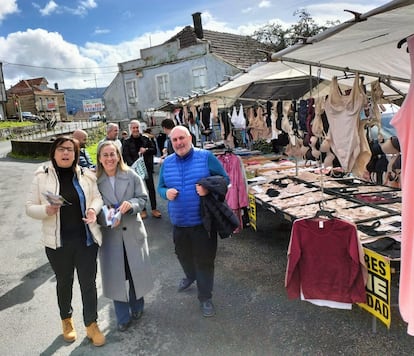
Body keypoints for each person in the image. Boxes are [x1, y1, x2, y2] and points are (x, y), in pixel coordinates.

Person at [25, 136, 106, 347]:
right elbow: (29, 207)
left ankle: (92, 324)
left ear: (76, 154)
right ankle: (67, 320)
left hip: (86, 241)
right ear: (54, 152)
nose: (66, 153)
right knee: (65, 282)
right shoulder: (41, 177)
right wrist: (45, 210)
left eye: (70, 149)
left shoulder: (86, 175)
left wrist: (92, 209)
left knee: (88, 284)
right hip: (57, 244)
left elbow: (97, 198)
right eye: (61, 149)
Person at [157, 125, 230, 317]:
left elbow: (224, 180)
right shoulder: (167, 163)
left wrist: (208, 189)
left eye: (182, 138)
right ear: (171, 143)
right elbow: (160, 187)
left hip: (203, 223)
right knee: (182, 255)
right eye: (175, 140)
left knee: (204, 261)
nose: (179, 143)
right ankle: (190, 276)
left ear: (190, 138)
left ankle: (205, 297)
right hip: (179, 222)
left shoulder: (206, 157)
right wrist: (166, 193)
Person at [96, 141, 154, 332]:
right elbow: (92, 207)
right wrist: (107, 218)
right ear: (99, 158)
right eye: (105, 155)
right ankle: (122, 317)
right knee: (116, 277)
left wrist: (131, 205)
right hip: (110, 237)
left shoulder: (130, 175)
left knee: (134, 273)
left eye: (113, 154)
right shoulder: (95, 181)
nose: (109, 158)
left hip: (132, 233)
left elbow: (143, 198)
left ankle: (137, 307)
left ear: (118, 156)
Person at [122, 120, 162, 219]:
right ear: (130, 129)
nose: (135, 129)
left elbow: (155, 151)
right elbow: (125, 156)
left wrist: (146, 150)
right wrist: (134, 166)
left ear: (139, 128)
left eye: (137, 127)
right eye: (133, 128)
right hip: (135, 170)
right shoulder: (126, 142)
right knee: (138, 191)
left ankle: (154, 209)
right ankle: (142, 210)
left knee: (151, 188)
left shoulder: (146, 138)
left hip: (147, 168)